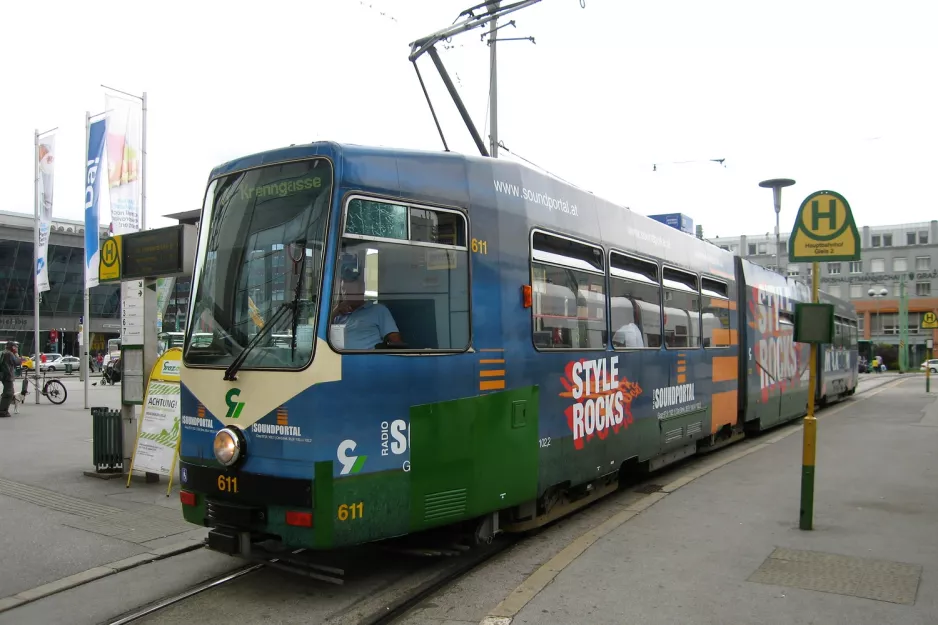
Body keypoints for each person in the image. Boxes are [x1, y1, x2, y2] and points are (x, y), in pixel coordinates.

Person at [330, 253, 402, 350]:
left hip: (368, 359)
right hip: (336, 359)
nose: (346, 294)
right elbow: (320, 336)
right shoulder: (339, 314)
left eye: (351, 291)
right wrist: (335, 311)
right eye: (344, 290)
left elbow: (396, 341)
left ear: (362, 289)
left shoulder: (378, 310)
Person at [0, 341, 18, 418]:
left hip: (4, 375)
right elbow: (16, 362)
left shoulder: (4, 352)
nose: (17, 348)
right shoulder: (9, 354)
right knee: (9, 393)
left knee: (8, 391)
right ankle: (3, 411)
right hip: (7, 375)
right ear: (13, 347)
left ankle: (3, 408)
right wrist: (17, 356)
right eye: (16, 347)